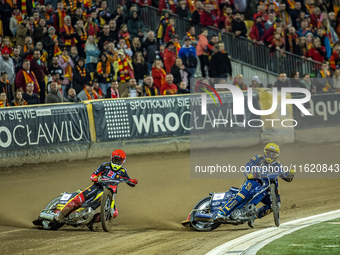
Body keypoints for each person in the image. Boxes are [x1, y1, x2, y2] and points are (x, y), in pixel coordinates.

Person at [216, 143, 295, 222]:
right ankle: (222, 212)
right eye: (268, 153)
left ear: (276, 155)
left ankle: (252, 218)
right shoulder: (258, 158)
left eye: (272, 154)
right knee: (241, 196)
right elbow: (247, 167)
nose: (270, 156)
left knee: (272, 206)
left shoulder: (278, 165)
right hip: (253, 182)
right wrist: (249, 174)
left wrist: (291, 174)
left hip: (264, 188)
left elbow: (286, 177)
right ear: (264, 152)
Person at [54, 150, 138, 223]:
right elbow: (94, 174)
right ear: (111, 158)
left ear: (123, 162)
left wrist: (133, 182)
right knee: (78, 200)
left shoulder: (123, 171)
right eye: (115, 160)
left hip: (110, 194)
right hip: (96, 187)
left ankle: (92, 222)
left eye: (118, 162)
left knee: (114, 213)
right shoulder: (105, 166)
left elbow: (129, 181)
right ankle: (60, 216)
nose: (116, 164)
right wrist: (95, 178)